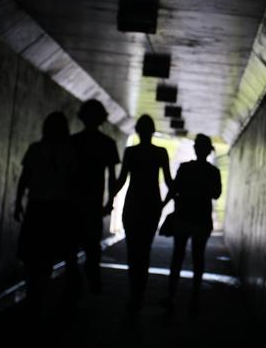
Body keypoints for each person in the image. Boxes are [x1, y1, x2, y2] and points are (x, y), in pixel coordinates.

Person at [14, 111, 78, 318]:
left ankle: (34, 293)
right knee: (48, 253)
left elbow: (25, 178)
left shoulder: (36, 149)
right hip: (58, 209)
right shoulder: (70, 152)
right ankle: (40, 293)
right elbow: (74, 183)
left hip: (37, 206)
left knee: (32, 253)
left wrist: (18, 202)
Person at [109, 114, 173, 312]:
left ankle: (134, 290)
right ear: (153, 131)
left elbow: (120, 182)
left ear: (137, 131)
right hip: (152, 205)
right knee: (144, 249)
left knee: (132, 249)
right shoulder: (161, 153)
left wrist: (108, 200)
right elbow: (170, 183)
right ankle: (140, 289)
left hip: (133, 204)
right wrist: (165, 203)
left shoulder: (130, 153)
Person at [161, 133, 222, 315]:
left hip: (183, 217)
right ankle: (195, 298)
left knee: (177, 257)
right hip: (202, 219)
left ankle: (171, 296)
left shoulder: (185, 168)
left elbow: (174, 189)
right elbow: (216, 194)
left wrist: (161, 206)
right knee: (198, 258)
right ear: (208, 151)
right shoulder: (213, 172)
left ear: (196, 149)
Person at [69, 99, 120, 296]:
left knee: (71, 247)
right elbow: (112, 178)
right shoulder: (108, 144)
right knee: (92, 248)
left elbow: (67, 173)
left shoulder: (73, 141)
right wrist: (109, 204)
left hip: (74, 203)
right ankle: (93, 282)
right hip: (93, 204)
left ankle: (74, 284)